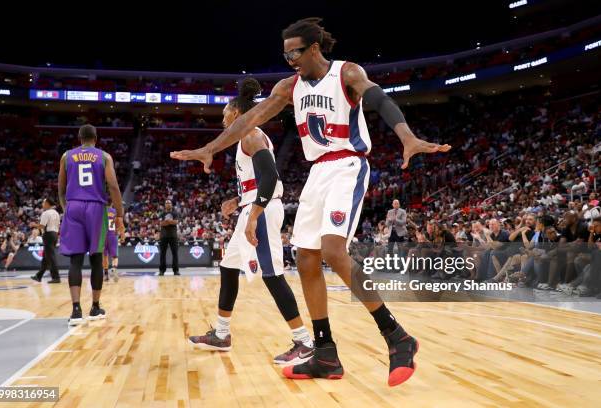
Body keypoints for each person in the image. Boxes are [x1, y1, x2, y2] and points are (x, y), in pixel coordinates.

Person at [171, 17, 450, 387]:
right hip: (317, 171)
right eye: (286, 55)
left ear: (314, 48)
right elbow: (250, 119)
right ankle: (325, 353)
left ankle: (397, 338)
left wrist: (407, 136)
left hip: (348, 164)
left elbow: (378, 97)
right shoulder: (290, 87)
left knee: (334, 251)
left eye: (295, 53)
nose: (290, 61)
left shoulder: (346, 73)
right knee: (305, 259)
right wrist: (209, 148)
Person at [187, 78, 315, 365]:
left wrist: (253, 212)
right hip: (252, 207)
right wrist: (238, 200)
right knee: (228, 267)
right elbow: (258, 180)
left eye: (224, 114)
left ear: (235, 114)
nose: (222, 120)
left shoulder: (251, 136)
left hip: (263, 211)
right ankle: (221, 334)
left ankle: (304, 341)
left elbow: (270, 177)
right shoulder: (245, 139)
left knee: (272, 275)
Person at [58, 124, 125, 326]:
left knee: (75, 261)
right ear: (96, 138)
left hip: (73, 206)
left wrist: (66, 209)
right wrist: (120, 214)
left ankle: (76, 310)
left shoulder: (66, 156)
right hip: (96, 207)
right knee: (97, 258)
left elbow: (60, 189)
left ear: (79, 138)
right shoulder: (104, 157)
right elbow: (113, 186)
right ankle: (95, 307)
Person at [30, 198, 61, 283]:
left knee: (50, 257)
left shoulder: (46, 213)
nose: (42, 204)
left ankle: (56, 277)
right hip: (55, 234)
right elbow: (58, 225)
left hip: (48, 235)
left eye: (43, 203)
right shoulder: (56, 213)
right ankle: (38, 276)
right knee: (46, 257)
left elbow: (42, 226)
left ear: (47, 203)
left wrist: (34, 225)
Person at [103, 200, 123, 282]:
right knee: (115, 256)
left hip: (103, 236)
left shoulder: (100, 212)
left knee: (104, 256)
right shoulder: (115, 212)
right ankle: (114, 268)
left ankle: (106, 275)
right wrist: (122, 235)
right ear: (112, 203)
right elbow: (120, 224)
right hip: (113, 235)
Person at [159, 200, 180, 276]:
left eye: (169, 203)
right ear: (165, 205)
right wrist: (171, 221)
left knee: (175, 254)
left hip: (173, 236)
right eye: (166, 203)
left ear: (171, 205)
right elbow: (161, 224)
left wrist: (167, 221)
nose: (168, 204)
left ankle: (176, 270)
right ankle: (162, 271)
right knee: (162, 254)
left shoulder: (175, 213)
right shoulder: (162, 213)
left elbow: (176, 222)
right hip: (163, 236)